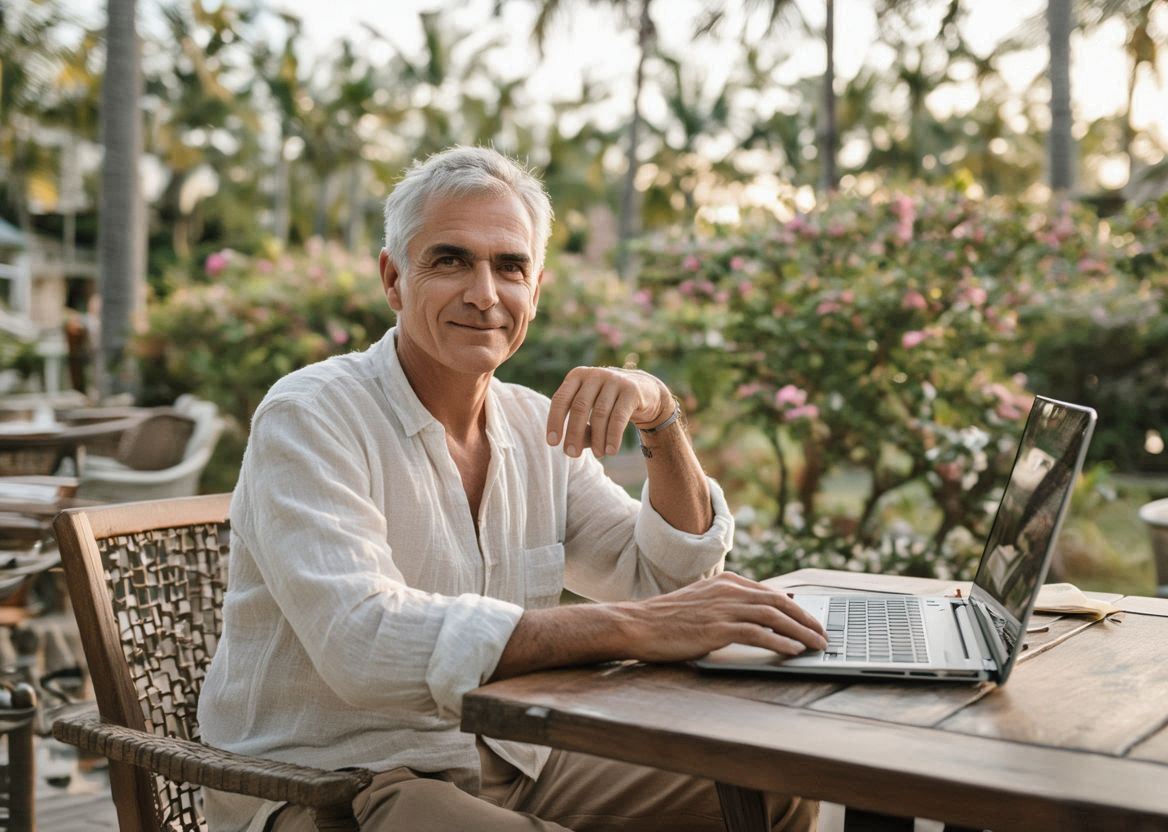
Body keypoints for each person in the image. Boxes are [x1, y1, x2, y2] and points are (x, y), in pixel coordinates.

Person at [197, 146, 826, 832]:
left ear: (536, 287)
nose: (484, 293)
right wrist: (631, 630)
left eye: (510, 266)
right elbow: (363, 644)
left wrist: (661, 416)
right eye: (450, 260)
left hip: (508, 760)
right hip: (330, 784)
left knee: (770, 783)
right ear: (393, 279)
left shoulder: (533, 423)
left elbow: (662, 582)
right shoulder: (311, 413)